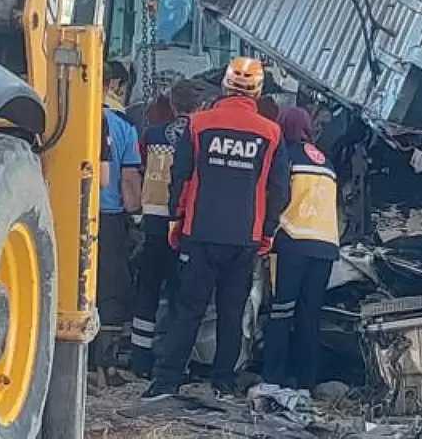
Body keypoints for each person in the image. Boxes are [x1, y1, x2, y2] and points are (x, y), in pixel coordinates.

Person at [144, 57, 290, 401]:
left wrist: (176, 221)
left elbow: (179, 178)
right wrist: (267, 232)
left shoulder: (198, 125)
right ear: (258, 90)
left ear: (225, 86)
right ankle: (223, 383)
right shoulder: (271, 133)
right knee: (232, 312)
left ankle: (166, 381)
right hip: (245, 238)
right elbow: (279, 189)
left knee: (188, 309)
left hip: (200, 233)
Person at [260, 106, 340, 391]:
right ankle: (306, 383)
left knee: (281, 312)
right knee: (309, 315)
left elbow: (278, 195)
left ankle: (273, 379)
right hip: (326, 246)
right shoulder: (326, 162)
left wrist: (265, 231)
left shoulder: (285, 155)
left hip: (292, 241)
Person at [130, 80, 200, 377]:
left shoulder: (152, 134)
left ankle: (139, 359)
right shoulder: (199, 136)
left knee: (147, 290)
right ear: (198, 107)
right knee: (177, 295)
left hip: (152, 221)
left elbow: (139, 166)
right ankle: (171, 362)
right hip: (182, 225)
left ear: (172, 105)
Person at [95, 61, 142, 380]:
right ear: (113, 85)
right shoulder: (123, 128)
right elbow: (128, 182)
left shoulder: (64, 116)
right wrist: (136, 214)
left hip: (68, 214)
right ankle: (105, 364)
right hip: (110, 218)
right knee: (111, 289)